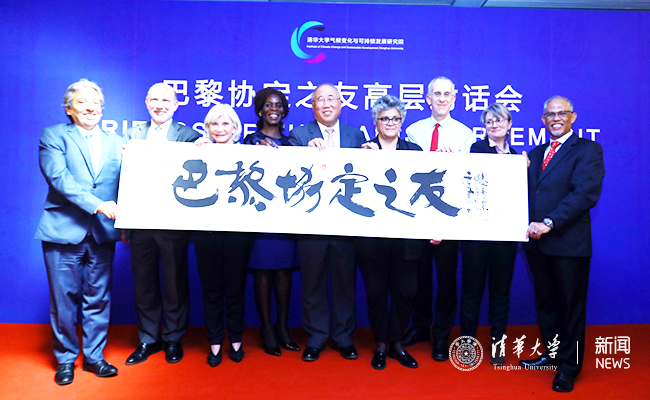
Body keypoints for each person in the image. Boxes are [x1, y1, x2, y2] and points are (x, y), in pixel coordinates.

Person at [36, 79, 122, 385]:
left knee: (98, 298)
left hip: (103, 233)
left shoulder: (117, 142)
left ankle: (95, 357)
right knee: (64, 301)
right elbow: (58, 178)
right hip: (63, 231)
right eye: (82, 102)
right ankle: (65, 359)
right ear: (68, 109)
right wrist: (96, 204)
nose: (90, 108)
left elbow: (135, 179)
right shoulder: (53, 136)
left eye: (95, 103)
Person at [520, 96, 604, 392]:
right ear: (543, 120)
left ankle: (569, 367)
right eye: (550, 114)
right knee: (547, 305)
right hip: (537, 245)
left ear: (573, 117)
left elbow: (584, 194)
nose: (556, 118)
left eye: (562, 113)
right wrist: (514, 171)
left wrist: (549, 222)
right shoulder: (534, 154)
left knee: (571, 308)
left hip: (569, 244)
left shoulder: (588, 150)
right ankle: (553, 354)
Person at [288, 83, 366, 362]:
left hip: (346, 224)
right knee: (312, 285)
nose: (326, 104)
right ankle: (316, 338)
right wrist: (304, 153)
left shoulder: (356, 136)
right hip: (312, 224)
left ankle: (344, 338)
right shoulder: (299, 135)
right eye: (320, 99)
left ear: (341, 103)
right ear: (313, 106)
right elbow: (288, 173)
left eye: (331, 98)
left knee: (345, 284)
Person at [124, 83, 200, 366]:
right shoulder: (132, 136)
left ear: (176, 105)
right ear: (146, 102)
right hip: (140, 221)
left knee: (174, 283)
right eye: (154, 99)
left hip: (173, 223)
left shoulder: (189, 136)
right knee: (144, 283)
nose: (160, 105)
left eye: (166, 100)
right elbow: (122, 179)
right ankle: (147, 338)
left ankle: (172, 338)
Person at [402, 76, 474, 361]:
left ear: (454, 99)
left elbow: (466, 179)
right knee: (418, 279)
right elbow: (407, 172)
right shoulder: (414, 130)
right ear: (427, 99)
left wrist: (452, 161)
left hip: (448, 218)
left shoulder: (464, 134)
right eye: (436, 94)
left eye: (447, 94)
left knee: (446, 281)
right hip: (418, 216)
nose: (442, 98)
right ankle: (420, 328)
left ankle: (441, 335)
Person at [357, 95, 424, 370]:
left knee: (405, 291)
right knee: (376, 293)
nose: (390, 123)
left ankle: (396, 342)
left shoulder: (414, 151)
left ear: (402, 121)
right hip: (373, 238)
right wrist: (361, 160)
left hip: (407, 238)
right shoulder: (362, 150)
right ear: (376, 122)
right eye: (384, 118)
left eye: (395, 118)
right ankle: (381, 344)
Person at [194, 103, 255, 367]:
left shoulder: (248, 154)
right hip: (206, 232)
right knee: (211, 290)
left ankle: (236, 339)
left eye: (225, 123)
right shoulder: (198, 151)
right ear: (207, 128)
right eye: (214, 124)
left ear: (235, 128)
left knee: (235, 289)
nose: (220, 129)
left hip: (237, 234)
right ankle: (215, 341)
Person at [459, 103, 521, 366]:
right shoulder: (477, 149)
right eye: (489, 121)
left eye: (499, 120)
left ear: (509, 124)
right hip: (477, 236)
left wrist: (523, 169)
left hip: (505, 237)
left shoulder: (517, 157)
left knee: (500, 292)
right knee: (472, 291)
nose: (494, 125)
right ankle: (467, 345)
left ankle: (498, 345)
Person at [244, 88, 300, 356]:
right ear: (260, 110)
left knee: (284, 272)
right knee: (263, 272)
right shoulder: (250, 141)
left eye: (278, 105)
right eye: (268, 105)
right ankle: (266, 327)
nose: (273, 109)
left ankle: (283, 327)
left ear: (284, 110)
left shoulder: (293, 145)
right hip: (259, 218)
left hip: (285, 218)